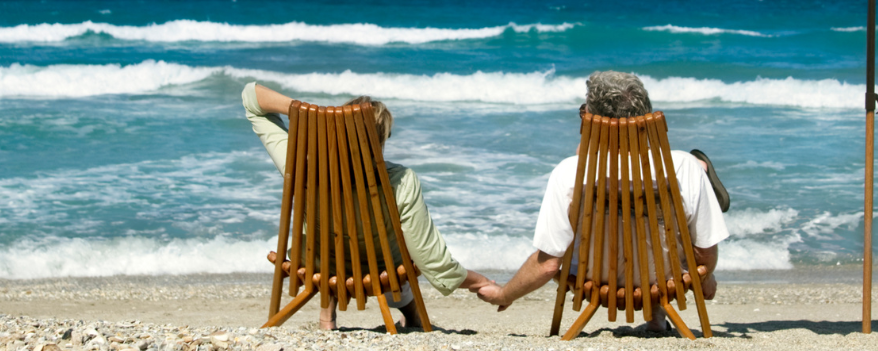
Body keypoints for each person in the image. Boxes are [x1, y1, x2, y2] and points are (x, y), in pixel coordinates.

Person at [476, 71, 730, 333]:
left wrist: (504, 294)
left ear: (591, 121)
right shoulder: (683, 167)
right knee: (666, 205)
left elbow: (548, 264)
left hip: (594, 279)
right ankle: (704, 169)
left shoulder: (568, 172)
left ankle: (655, 313)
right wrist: (705, 275)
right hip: (666, 280)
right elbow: (705, 252)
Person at [242, 82, 499, 330]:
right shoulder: (400, 180)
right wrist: (480, 281)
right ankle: (411, 314)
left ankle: (327, 317)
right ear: (381, 138)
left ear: (333, 129)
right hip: (380, 270)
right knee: (398, 249)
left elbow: (251, 98)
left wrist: (313, 116)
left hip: (318, 266)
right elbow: (430, 259)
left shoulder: (300, 164)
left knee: (331, 241)